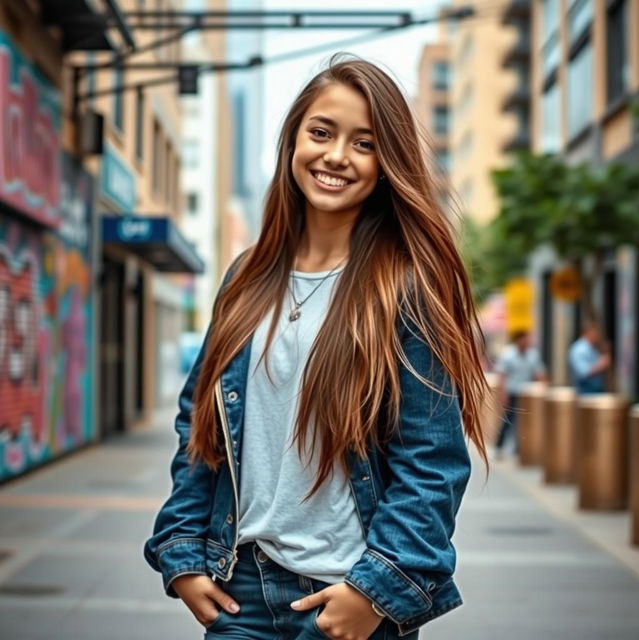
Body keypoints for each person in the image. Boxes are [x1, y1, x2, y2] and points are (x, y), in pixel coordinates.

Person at [143, 54, 488, 640]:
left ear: (386, 164)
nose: (335, 156)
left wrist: (375, 591)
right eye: (321, 132)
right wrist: (182, 555)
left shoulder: (403, 287)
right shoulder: (245, 277)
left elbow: (432, 462)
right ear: (294, 140)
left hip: (346, 592)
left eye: (364, 143)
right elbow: (199, 425)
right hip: (239, 589)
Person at [493, 330, 547, 458]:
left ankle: (518, 449)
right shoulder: (508, 354)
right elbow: (502, 375)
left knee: (523, 422)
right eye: (525, 339)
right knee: (508, 420)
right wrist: (502, 394)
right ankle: (498, 446)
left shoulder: (533, 354)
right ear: (518, 340)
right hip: (512, 392)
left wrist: (544, 386)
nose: (527, 342)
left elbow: (539, 372)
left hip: (527, 394)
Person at [568, 322, 611, 394]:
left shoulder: (591, 348)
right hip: (585, 394)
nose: (598, 336)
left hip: (595, 391)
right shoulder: (579, 349)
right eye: (597, 333)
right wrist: (602, 364)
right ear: (590, 332)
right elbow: (583, 373)